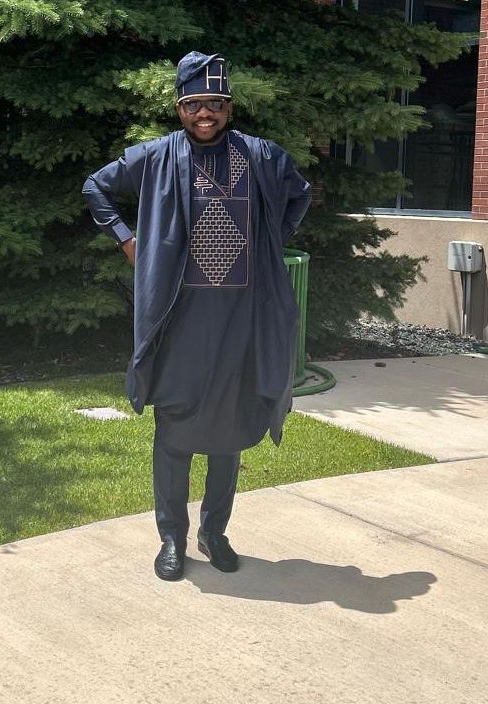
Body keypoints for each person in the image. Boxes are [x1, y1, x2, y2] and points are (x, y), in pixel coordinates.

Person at [82, 52, 312, 581]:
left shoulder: (261, 155)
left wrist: (271, 241)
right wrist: (128, 241)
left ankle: (214, 532)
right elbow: (96, 186)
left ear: (228, 107)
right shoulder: (156, 155)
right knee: (174, 426)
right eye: (193, 104)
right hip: (179, 317)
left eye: (214, 103)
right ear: (179, 109)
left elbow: (299, 195)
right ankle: (172, 537)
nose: (204, 113)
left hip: (240, 318)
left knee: (231, 425)